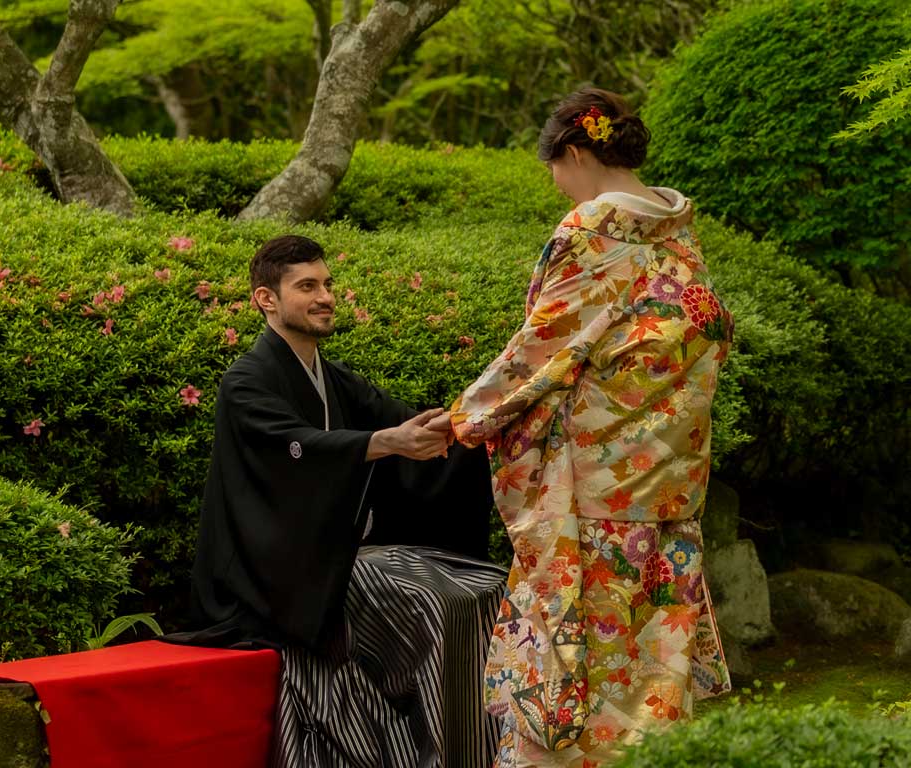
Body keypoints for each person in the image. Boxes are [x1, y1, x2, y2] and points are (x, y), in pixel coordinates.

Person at [448, 88, 734, 766]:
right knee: (653, 650)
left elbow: (541, 349)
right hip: (669, 474)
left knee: (580, 645)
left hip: (595, 484)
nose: (556, 185)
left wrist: (466, 418)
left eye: (555, 167)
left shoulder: (590, 231)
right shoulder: (680, 232)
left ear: (574, 153)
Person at [168, 234, 508, 768]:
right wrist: (385, 443)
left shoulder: (336, 378)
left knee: (481, 592)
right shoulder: (246, 383)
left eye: (327, 284)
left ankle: (474, 754)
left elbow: (400, 420)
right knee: (433, 605)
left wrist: (470, 428)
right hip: (274, 580)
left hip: (338, 561)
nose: (326, 296)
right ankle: (429, 753)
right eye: (307, 286)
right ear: (267, 300)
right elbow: (295, 447)